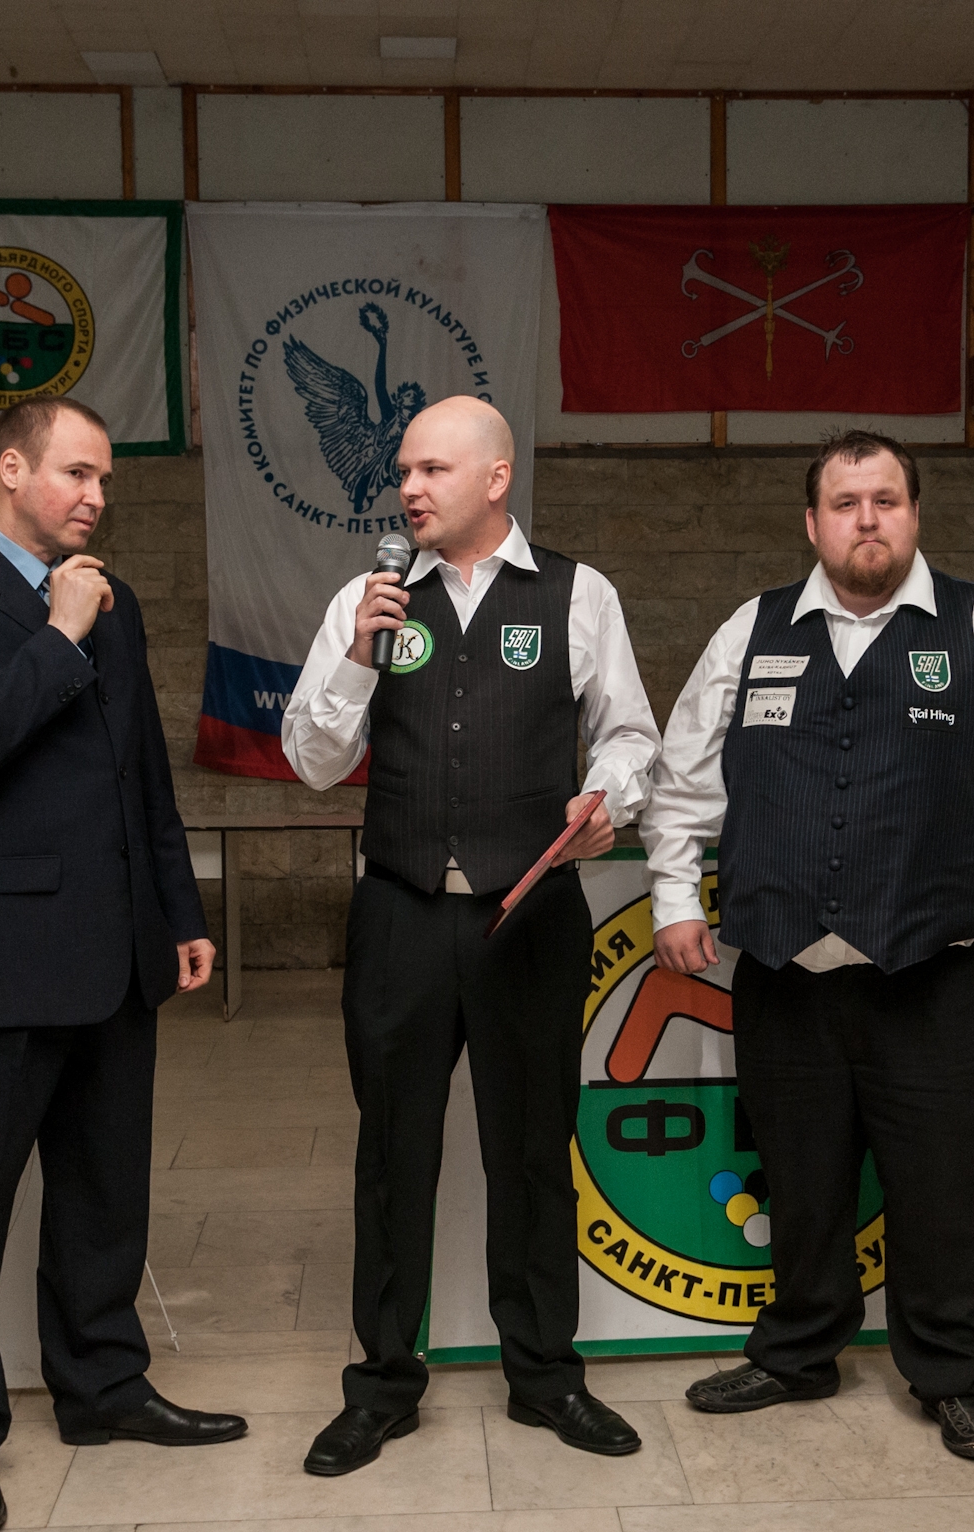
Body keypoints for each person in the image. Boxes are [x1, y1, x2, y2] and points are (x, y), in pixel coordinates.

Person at [639, 430, 974, 1460]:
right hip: (785, 973)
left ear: (915, 513)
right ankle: (798, 1352)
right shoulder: (751, 631)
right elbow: (683, 781)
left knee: (942, 1188)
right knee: (801, 1181)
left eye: (886, 499)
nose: (867, 519)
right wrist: (674, 894)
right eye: (846, 503)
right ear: (813, 523)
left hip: (929, 972)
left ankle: (956, 1374)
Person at [0, 395, 241, 1532]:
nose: (96, 496)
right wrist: (60, 634)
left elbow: (141, 774)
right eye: (78, 473)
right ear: (11, 470)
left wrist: (178, 908)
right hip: (1, 960)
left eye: (105, 479)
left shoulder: (107, 599)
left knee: (104, 1194)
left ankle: (103, 1384)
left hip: (117, 954)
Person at [281, 395, 661, 1475]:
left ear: (497, 478)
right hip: (398, 910)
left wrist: (609, 794)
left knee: (534, 1150)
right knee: (391, 1151)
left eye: (432, 469)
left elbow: (631, 736)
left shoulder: (580, 594)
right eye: (404, 470)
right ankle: (381, 1386)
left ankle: (545, 1376)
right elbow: (311, 760)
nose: (409, 488)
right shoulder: (367, 600)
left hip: (529, 916)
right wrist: (358, 656)